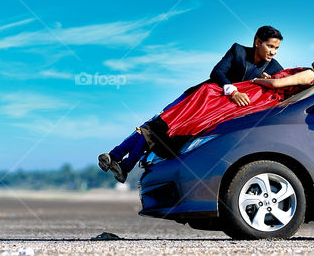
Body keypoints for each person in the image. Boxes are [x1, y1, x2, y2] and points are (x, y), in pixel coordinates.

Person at [99, 25, 285, 183]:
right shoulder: (238, 51)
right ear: (257, 42)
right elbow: (218, 72)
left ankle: (120, 160)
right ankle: (120, 161)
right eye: (269, 46)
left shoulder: (273, 68)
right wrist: (232, 91)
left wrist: (267, 81)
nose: (273, 52)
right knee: (159, 121)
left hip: (212, 111)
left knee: (161, 128)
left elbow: (284, 83)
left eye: (276, 48)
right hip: (197, 98)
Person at [138, 50, 314, 158]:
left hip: (259, 94)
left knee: (208, 93)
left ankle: (161, 130)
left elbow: (277, 83)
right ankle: (164, 134)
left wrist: (258, 80)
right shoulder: (308, 74)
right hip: (262, 96)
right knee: (211, 108)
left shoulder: (308, 74)